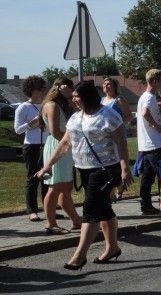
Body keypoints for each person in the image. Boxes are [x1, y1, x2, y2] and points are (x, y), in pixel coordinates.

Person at [36, 81, 131, 269]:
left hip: (105, 169)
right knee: (103, 209)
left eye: (77, 97)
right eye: (73, 97)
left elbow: (121, 143)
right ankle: (112, 248)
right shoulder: (75, 118)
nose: (73, 100)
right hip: (84, 169)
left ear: (87, 97)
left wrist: (125, 168)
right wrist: (47, 166)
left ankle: (79, 256)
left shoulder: (108, 115)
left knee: (90, 211)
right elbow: (65, 143)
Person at [39, 77, 81, 234]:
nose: (72, 92)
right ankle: (50, 224)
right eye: (70, 88)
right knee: (55, 187)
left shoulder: (62, 104)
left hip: (64, 146)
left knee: (66, 187)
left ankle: (76, 221)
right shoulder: (52, 105)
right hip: (58, 146)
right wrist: (73, 142)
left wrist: (69, 98)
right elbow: (56, 131)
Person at [14, 75, 48, 221]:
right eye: (40, 88)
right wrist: (32, 123)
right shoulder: (23, 107)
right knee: (33, 178)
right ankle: (32, 211)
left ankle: (49, 209)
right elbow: (18, 130)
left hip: (47, 145)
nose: (43, 91)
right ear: (32, 90)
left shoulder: (46, 106)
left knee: (47, 179)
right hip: (31, 146)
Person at [136, 69, 161, 216]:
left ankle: (146, 205)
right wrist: (156, 125)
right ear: (154, 81)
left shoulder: (143, 96)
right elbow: (145, 113)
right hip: (155, 144)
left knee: (147, 178)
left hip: (146, 145)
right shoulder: (149, 97)